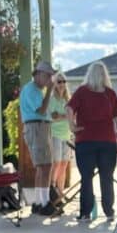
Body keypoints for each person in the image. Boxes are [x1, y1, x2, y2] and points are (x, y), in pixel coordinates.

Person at [67, 61, 117, 221]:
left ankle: (86, 213)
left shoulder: (82, 91)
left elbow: (69, 108)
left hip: (85, 140)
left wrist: (72, 126)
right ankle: (109, 212)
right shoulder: (110, 93)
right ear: (105, 75)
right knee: (107, 177)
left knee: (86, 178)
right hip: (107, 141)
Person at [19, 60, 57, 215]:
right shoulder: (32, 89)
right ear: (39, 74)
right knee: (44, 166)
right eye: (48, 76)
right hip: (36, 127)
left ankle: (40, 201)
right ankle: (43, 203)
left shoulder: (35, 90)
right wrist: (49, 91)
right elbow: (41, 110)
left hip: (39, 127)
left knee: (43, 166)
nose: (49, 80)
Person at [48, 71, 74, 210]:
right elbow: (53, 117)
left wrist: (62, 116)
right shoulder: (52, 99)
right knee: (57, 163)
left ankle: (60, 193)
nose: (62, 84)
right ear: (54, 84)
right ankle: (52, 191)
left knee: (64, 164)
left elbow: (71, 117)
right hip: (55, 135)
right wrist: (66, 116)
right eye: (59, 81)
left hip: (66, 135)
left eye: (64, 81)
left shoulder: (68, 100)